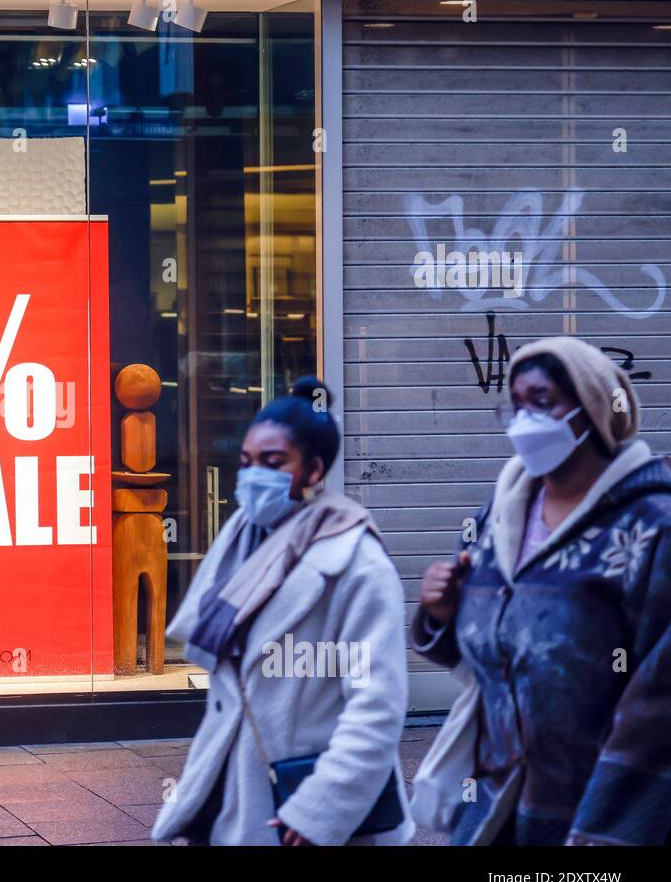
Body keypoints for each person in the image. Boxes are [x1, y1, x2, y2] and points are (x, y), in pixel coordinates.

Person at [411, 336, 671, 846]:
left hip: (597, 816)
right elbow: (490, 656)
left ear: (591, 408)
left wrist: (604, 835)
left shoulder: (650, 529)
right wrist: (442, 615)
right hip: (494, 811)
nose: (524, 419)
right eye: (516, 403)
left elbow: (657, 711)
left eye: (543, 401)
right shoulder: (500, 518)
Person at [152, 377, 412, 846]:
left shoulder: (356, 564)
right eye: (247, 462)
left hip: (308, 794)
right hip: (233, 786)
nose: (254, 477)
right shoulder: (244, 538)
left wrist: (321, 809)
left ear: (314, 471)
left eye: (274, 463)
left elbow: (377, 707)